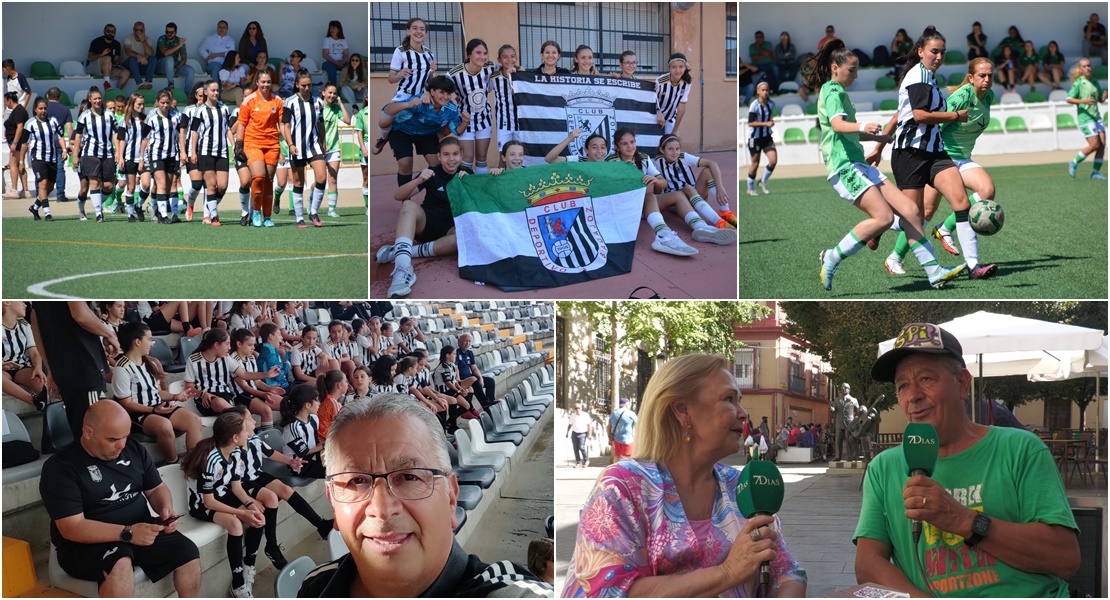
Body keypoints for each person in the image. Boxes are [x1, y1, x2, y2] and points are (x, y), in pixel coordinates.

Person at [854, 322, 1080, 596]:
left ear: (962, 384)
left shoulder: (1021, 449)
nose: (913, 396)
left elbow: (1065, 559)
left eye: (926, 379)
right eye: (902, 385)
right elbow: (868, 564)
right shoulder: (883, 468)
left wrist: (963, 520)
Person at [562, 354, 806, 596]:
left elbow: (787, 572)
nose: (743, 413)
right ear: (682, 410)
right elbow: (603, 591)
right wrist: (728, 573)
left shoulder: (740, 485)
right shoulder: (622, 486)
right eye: (729, 399)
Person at [297, 394, 551, 597]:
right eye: (357, 480)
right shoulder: (315, 586)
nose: (382, 509)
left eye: (409, 477)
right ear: (333, 505)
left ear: (451, 497)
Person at [806, 40, 963, 292]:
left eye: (857, 70)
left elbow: (847, 133)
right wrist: (862, 127)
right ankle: (831, 257)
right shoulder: (832, 91)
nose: (856, 75)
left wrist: (878, 139)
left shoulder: (839, 92)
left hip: (858, 164)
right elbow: (837, 126)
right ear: (835, 67)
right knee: (883, 217)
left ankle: (935, 273)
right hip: (844, 168)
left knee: (912, 212)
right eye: (852, 69)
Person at [867, 28, 997, 282]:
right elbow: (918, 116)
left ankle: (974, 267)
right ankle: (883, 226)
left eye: (942, 52)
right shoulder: (918, 76)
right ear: (920, 52)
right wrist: (954, 116)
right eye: (933, 51)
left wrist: (878, 146)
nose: (938, 56)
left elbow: (901, 114)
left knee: (962, 203)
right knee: (914, 216)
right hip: (911, 153)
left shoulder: (929, 76)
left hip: (936, 153)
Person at [39, 401, 200, 597]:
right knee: (120, 564)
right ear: (88, 432)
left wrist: (165, 509)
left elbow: (156, 488)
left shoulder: (133, 448)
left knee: (187, 552)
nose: (121, 445)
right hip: (85, 545)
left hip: (138, 528)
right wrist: (129, 533)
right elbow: (72, 527)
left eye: (125, 436)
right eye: (113, 439)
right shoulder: (60, 467)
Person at [180, 408, 268, 598]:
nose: (248, 433)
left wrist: (250, 505)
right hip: (201, 504)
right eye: (245, 430)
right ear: (235, 437)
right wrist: (242, 513)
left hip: (220, 494)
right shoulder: (211, 459)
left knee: (259, 512)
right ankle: (238, 585)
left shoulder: (235, 453)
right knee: (235, 524)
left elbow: (236, 487)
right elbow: (208, 501)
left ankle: (248, 566)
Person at [382, 136, 471, 298]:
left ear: (462, 155)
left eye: (455, 154)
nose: (451, 159)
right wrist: (419, 180)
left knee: (462, 239)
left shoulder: (467, 174)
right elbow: (398, 196)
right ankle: (403, 269)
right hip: (426, 223)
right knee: (408, 205)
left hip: (449, 230)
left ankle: (401, 252)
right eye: (446, 154)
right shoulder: (431, 173)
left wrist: (481, 179)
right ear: (439, 157)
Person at [112, 322, 201, 463]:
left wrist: (174, 396)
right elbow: (126, 404)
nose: (152, 343)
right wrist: (153, 410)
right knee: (164, 426)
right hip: (138, 414)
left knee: (194, 420)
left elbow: (158, 391)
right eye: (149, 339)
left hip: (158, 407)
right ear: (137, 342)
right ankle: (173, 462)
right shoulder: (122, 368)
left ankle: (194, 463)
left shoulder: (149, 363)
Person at [33, 301, 119, 438]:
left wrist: (51, 369)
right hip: (84, 365)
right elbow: (80, 314)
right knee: (94, 434)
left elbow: (36, 322)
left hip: (65, 367)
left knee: (82, 432)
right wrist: (109, 334)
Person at [654, 134, 736, 231]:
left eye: (677, 148)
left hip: (694, 195)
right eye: (670, 149)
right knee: (687, 188)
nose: (675, 152)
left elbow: (712, 164)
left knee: (708, 171)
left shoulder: (684, 157)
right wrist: (659, 199)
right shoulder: (657, 162)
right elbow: (657, 184)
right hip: (676, 201)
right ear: (662, 150)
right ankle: (718, 222)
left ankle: (725, 212)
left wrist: (720, 187)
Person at [236, 70, 284, 227]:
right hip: (253, 143)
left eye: (268, 82)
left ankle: (268, 216)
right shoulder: (248, 100)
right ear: (257, 82)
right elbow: (241, 123)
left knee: (269, 180)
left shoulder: (277, 100)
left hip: (272, 145)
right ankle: (256, 212)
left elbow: (281, 124)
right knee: (258, 177)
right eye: (263, 82)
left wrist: (288, 143)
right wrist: (238, 145)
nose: (266, 85)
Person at [282, 71, 328, 228]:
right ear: (297, 85)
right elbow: (286, 125)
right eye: (303, 85)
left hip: (314, 145)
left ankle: (313, 211)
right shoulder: (290, 102)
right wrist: (290, 144)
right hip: (297, 146)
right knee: (298, 182)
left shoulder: (317, 102)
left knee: (322, 178)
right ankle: (299, 218)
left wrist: (323, 142)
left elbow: (320, 123)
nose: (307, 88)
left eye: (309, 84)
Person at [449, 39, 497, 174]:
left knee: (482, 157)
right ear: (469, 54)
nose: (482, 57)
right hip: (465, 121)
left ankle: (481, 189)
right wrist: (429, 92)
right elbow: (440, 86)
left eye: (485, 53)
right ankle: (467, 188)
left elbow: (507, 66)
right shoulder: (455, 74)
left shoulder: (490, 67)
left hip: (484, 119)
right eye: (478, 53)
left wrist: (518, 69)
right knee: (467, 158)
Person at [189, 80, 233, 225]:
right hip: (205, 151)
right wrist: (193, 152)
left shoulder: (224, 108)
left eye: (217, 90)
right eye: (212, 90)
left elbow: (227, 129)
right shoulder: (200, 111)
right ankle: (213, 216)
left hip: (222, 152)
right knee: (211, 184)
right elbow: (194, 132)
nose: (215, 93)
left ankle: (209, 208)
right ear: (206, 92)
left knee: (222, 186)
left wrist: (233, 146)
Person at [139, 89, 182, 224]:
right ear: (158, 103)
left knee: (169, 186)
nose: (165, 105)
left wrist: (183, 153)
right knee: (161, 184)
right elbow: (145, 139)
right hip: (157, 155)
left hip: (172, 155)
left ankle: (159, 209)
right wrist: (141, 158)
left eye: (167, 103)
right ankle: (163, 215)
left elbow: (181, 136)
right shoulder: (152, 119)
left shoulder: (176, 117)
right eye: (162, 103)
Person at [24, 97, 68, 221]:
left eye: (45, 108)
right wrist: (21, 161)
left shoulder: (53, 121)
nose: (43, 111)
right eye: (40, 108)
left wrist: (64, 150)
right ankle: (47, 213)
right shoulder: (30, 123)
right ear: (35, 109)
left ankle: (35, 206)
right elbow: (24, 143)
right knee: (42, 184)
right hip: (38, 158)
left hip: (52, 157)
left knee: (50, 186)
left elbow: (60, 136)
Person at [1066, 58, 1107, 180]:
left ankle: (1095, 173)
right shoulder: (1079, 83)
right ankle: (1073, 162)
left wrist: (1103, 97)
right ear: (1080, 69)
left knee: (1102, 145)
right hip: (1085, 118)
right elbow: (1069, 99)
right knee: (1094, 144)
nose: (1088, 68)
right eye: (1084, 66)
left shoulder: (1094, 82)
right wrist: (1083, 101)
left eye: (1089, 66)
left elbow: (1099, 99)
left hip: (1096, 117)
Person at [2, 301, 46, 409]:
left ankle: (48, 403)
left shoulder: (25, 325)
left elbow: (35, 353)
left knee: (38, 380)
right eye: (21, 301)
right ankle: (34, 401)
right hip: (3, 371)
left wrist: (38, 368)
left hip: (21, 367)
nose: (25, 304)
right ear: (7, 302)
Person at [319, 82, 350, 218]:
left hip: (334, 148)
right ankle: (311, 203)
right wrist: (321, 144)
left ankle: (331, 209)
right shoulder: (317, 107)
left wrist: (341, 104)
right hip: (319, 149)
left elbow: (348, 121)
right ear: (323, 93)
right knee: (320, 179)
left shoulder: (336, 108)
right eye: (330, 92)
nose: (332, 95)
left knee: (333, 179)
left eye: (334, 93)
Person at [42, 87, 72, 203]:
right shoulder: (65, 109)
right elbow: (69, 128)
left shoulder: (43, 108)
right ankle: (60, 195)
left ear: (48, 97)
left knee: (43, 168)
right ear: (60, 97)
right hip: (59, 143)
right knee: (60, 169)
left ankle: (42, 194)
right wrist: (70, 144)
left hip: (45, 143)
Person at [746, 81, 777, 196]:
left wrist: (771, 122)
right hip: (755, 138)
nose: (765, 92)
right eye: (762, 90)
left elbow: (770, 117)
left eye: (766, 90)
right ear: (758, 91)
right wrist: (766, 124)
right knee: (755, 164)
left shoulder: (770, 104)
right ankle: (750, 188)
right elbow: (750, 123)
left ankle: (762, 181)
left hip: (767, 137)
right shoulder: (754, 105)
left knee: (773, 160)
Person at [656, 53, 692, 134]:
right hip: (655, 117)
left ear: (685, 68)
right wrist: (658, 111)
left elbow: (681, 107)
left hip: (670, 118)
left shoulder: (687, 83)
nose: (677, 70)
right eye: (673, 67)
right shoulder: (660, 81)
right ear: (669, 68)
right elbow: (652, 99)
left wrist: (675, 130)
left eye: (681, 67)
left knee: (671, 143)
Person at [86, 24, 129, 90]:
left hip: (108, 68)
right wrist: (102, 54)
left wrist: (118, 65)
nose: (110, 33)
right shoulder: (96, 41)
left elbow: (116, 60)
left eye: (113, 32)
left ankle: (116, 91)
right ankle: (107, 83)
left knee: (126, 73)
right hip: (94, 67)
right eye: (108, 31)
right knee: (107, 58)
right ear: (104, 31)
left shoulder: (116, 44)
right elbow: (90, 57)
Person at [4, 91, 30, 200]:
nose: (6, 104)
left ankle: (14, 189)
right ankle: (25, 190)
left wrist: (14, 142)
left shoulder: (19, 111)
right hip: (18, 142)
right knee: (20, 165)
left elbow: (20, 127)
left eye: (6, 101)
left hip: (18, 143)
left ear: (10, 101)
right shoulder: (18, 110)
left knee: (13, 164)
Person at [156, 23, 194, 92]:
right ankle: (171, 83)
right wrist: (178, 46)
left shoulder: (179, 41)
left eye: (171, 32)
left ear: (176, 33)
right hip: (160, 65)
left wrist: (176, 68)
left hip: (174, 65)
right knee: (169, 58)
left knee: (190, 70)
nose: (169, 34)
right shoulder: (162, 39)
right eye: (167, 32)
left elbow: (184, 59)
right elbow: (166, 53)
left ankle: (188, 94)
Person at [198, 20, 236, 84]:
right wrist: (207, 56)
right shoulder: (210, 39)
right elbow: (201, 48)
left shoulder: (231, 40)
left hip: (225, 63)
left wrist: (215, 55)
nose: (221, 29)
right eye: (220, 27)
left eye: (224, 27)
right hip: (213, 64)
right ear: (217, 28)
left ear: (227, 28)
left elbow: (231, 54)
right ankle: (217, 89)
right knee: (217, 68)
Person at [121, 22, 156, 90]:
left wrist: (143, 41)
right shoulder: (128, 38)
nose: (138, 32)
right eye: (136, 30)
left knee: (153, 59)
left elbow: (150, 53)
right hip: (129, 66)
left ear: (144, 30)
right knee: (132, 58)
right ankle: (139, 83)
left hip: (141, 65)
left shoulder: (147, 39)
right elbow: (127, 51)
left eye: (141, 30)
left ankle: (148, 82)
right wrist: (139, 55)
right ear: (133, 30)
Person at [607, 398, 637, 462]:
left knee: (617, 455)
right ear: (626, 404)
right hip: (628, 439)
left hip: (616, 439)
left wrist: (609, 438)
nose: (630, 406)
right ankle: (625, 470)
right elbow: (637, 426)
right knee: (627, 457)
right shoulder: (631, 413)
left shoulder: (614, 413)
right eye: (629, 404)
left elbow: (609, 426)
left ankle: (616, 469)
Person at [566, 403, 593, 467]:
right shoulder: (573, 415)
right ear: (574, 409)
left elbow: (589, 425)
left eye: (578, 408)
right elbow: (570, 424)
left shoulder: (585, 415)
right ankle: (578, 462)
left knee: (582, 447)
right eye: (576, 408)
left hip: (583, 433)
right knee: (575, 448)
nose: (577, 409)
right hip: (574, 433)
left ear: (581, 408)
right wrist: (567, 432)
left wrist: (589, 434)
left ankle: (586, 460)